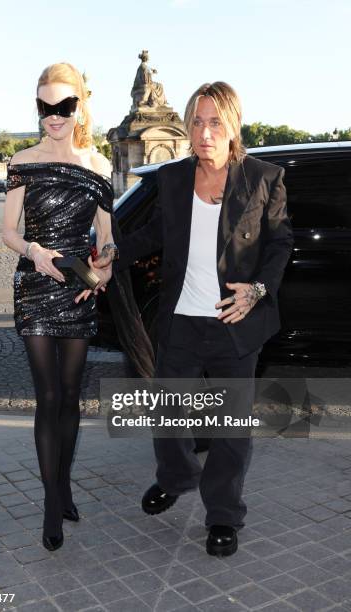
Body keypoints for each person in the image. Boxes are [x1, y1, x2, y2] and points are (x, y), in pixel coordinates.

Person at [102, 82, 293, 557]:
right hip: (182, 319)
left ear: (233, 126)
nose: (204, 133)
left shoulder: (264, 178)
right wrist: (109, 257)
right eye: (196, 122)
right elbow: (150, 235)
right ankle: (177, 475)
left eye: (214, 122)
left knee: (230, 428)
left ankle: (224, 515)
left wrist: (258, 289)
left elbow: (279, 244)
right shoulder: (173, 179)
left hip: (235, 322)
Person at [2, 62, 117, 552]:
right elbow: (9, 232)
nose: (53, 116)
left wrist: (103, 272)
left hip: (77, 289)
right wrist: (34, 252)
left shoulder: (98, 166)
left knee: (71, 396)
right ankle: (52, 505)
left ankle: (63, 485)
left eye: (63, 107)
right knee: (47, 397)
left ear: (79, 107)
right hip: (34, 286)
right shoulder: (21, 161)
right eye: (45, 107)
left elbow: (109, 241)